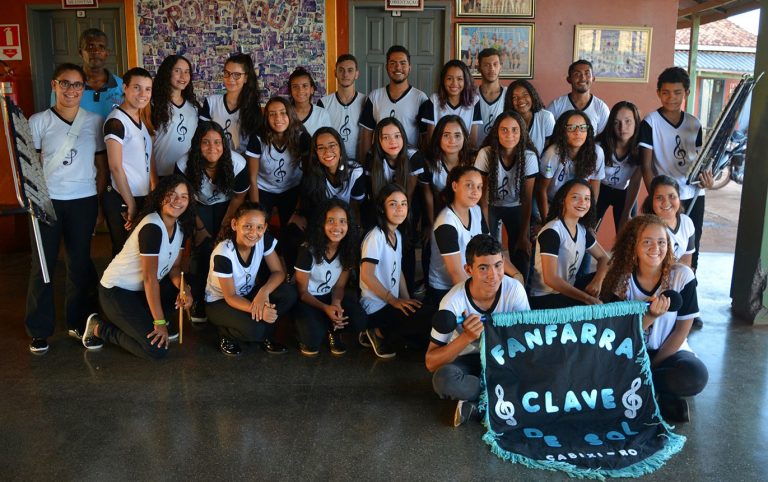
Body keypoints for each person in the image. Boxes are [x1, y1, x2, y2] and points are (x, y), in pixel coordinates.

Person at [26, 63, 107, 355]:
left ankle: (77, 322)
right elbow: (31, 165)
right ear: (54, 85)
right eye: (65, 83)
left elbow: (101, 167)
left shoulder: (94, 122)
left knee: (79, 263)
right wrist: (34, 200)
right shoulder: (38, 121)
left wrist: (97, 203)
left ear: (83, 89)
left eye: (77, 85)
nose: (71, 90)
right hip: (46, 202)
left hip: (83, 200)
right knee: (43, 265)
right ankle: (39, 330)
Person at [600, 214, 708, 422]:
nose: (655, 248)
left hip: (668, 353)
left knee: (695, 376)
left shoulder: (682, 276)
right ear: (633, 246)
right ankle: (661, 398)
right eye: (647, 242)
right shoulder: (619, 279)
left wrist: (651, 368)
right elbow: (617, 336)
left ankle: (640, 392)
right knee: (599, 371)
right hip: (628, 352)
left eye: (661, 242)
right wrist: (649, 317)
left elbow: (681, 331)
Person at [84, 175, 195, 360]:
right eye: (172, 194)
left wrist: (185, 289)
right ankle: (100, 328)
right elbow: (150, 279)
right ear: (161, 197)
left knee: (178, 291)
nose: (178, 200)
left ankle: (139, 320)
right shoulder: (152, 227)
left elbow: (175, 268)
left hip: (140, 290)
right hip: (117, 291)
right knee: (156, 350)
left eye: (184, 196)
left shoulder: (180, 227)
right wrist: (159, 322)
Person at [426, 234, 530, 427]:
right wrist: (466, 337)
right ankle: (500, 399)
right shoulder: (452, 301)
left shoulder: (514, 290)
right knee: (443, 380)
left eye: (498, 265)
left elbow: (526, 342)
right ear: (468, 269)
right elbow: (431, 362)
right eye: (483, 268)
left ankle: (478, 407)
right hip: (466, 360)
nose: (493, 275)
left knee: (541, 371)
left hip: (502, 359)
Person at [639, 66, 714, 274]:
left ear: (686, 93)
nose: (671, 98)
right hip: (666, 197)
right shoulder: (650, 122)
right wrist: (656, 195)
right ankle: (660, 285)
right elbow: (645, 165)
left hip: (693, 194)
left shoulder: (694, 123)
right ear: (658, 93)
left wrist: (708, 179)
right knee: (661, 244)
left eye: (677, 92)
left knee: (692, 243)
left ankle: (690, 281)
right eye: (666, 92)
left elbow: (701, 162)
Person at [176, 121, 249, 321]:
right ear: (197, 145)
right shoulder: (183, 164)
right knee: (202, 249)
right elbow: (185, 199)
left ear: (224, 145)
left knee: (224, 246)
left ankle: (226, 296)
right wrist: (200, 228)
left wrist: (225, 227)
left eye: (217, 142)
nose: (212, 147)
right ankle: (198, 299)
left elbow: (238, 197)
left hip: (228, 205)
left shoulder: (238, 163)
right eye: (206, 142)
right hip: (196, 205)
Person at [204, 201, 297, 356]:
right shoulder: (223, 253)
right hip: (220, 302)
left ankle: (265, 332)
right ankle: (225, 333)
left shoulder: (263, 239)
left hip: (248, 294)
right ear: (235, 224)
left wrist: (263, 292)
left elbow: (278, 272)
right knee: (255, 331)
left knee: (289, 293)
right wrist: (259, 309)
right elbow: (230, 296)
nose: (254, 232)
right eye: (247, 226)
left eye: (259, 227)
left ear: (265, 228)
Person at [427, 166, 523, 305]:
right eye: (469, 185)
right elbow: (456, 274)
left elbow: (492, 251)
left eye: (479, 187)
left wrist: (516, 274)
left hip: (474, 280)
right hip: (448, 290)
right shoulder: (446, 222)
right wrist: (482, 303)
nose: (475, 192)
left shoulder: (476, 210)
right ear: (455, 186)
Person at [359, 184, 431, 359]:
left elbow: (397, 272)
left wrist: (406, 300)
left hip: (390, 302)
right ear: (382, 209)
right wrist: (394, 300)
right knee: (425, 323)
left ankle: (391, 332)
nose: (400, 209)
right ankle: (376, 331)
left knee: (427, 318)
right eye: (393, 204)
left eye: (403, 204)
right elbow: (366, 275)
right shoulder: (375, 236)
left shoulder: (397, 234)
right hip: (375, 306)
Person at [294, 200, 366, 357]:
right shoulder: (308, 250)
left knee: (359, 319)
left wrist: (336, 304)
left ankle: (333, 330)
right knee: (312, 341)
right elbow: (302, 292)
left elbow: (339, 287)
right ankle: (310, 328)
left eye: (342, 221)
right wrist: (325, 308)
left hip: (329, 297)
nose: (337, 227)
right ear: (322, 224)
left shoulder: (348, 249)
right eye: (331, 221)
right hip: (308, 299)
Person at [364, 117, 426, 292]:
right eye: (386, 137)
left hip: (405, 204)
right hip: (381, 204)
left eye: (397, 136)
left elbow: (408, 195)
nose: (393, 141)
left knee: (406, 242)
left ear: (403, 137)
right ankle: (380, 286)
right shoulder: (372, 155)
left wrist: (398, 214)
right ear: (378, 140)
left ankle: (408, 291)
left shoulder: (413, 155)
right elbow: (374, 192)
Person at [475, 111, 538, 281]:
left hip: (516, 206)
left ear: (522, 132)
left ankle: (522, 288)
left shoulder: (529, 157)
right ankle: (493, 286)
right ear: (496, 132)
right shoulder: (486, 154)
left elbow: (527, 199)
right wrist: (486, 233)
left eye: (514, 130)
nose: (509, 134)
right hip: (491, 205)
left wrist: (523, 235)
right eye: (504, 130)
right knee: (488, 250)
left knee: (521, 250)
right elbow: (482, 199)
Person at [529, 179, 610, 309]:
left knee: (613, 277)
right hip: (546, 297)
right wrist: (587, 298)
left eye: (587, 198)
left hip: (569, 289)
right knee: (592, 303)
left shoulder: (582, 230)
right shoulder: (552, 231)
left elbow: (604, 258)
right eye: (575, 197)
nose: (582, 202)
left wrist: (598, 280)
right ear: (563, 200)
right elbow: (551, 279)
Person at [102, 67, 155, 257]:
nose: (143, 94)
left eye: (147, 89)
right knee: (123, 254)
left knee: (139, 253)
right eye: (137, 87)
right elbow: (115, 167)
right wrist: (130, 203)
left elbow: (147, 158)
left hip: (141, 196)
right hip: (122, 198)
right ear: (124, 88)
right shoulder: (116, 121)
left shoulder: (141, 117)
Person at [358, 45, 430, 156]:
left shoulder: (420, 98)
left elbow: (425, 137)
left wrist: (421, 163)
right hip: (380, 160)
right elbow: (367, 134)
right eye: (393, 63)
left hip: (408, 160)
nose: (398, 67)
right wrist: (365, 162)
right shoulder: (374, 96)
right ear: (386, 67)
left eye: (403, 63)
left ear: (409, 67)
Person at [536, 110, 605, 221]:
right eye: (571, 128)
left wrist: (589, 213)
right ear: (562, 131)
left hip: (576, 203)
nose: (577, 132)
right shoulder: (552, 153)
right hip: (551, 202)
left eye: (582, 127)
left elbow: (595, 183)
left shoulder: (596, 152)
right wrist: (546, 221)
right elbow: (541, 190)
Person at [51, 28, 123, 119]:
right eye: (90, 46)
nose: (96, 51)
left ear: (107, 53)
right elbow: (56, 120)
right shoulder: (64, 87)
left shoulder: (121, 86)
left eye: (101, 47)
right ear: (80, 52)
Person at [199, 53, 262, 155]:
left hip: (240, 162)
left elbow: (253, 148)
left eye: (236, 75)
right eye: (227, 73)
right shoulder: (211, 102)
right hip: (213, 159)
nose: (230, 79)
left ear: (245, 78)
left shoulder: (253, 109)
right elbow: (201, 136)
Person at [595, 101, 642, 233]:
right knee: (588, 231)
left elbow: (635, 181)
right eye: (617, 123)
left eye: (628, 121)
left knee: (627, 234)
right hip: (601, 189)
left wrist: (627, 212)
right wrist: (591, 210)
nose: (622, 128)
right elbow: (594, 180)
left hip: (625, 192)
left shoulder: (642, 149)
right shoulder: (599, 146)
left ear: (636, 123)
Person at [150, 55, 199, 176]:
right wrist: (153, 177)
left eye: (187, 72)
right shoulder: (153, 104)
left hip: (188, 173)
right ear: (167, 73)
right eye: (177, 71)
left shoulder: (194, 106)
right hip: (161, 174)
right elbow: (146, 145)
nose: (183, 76)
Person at [317, 54, 367, 163]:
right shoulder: (324, 103)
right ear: (335, 73)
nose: (345, 74)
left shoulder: (366, 101)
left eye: (350, 70)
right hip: (332, 162)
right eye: (341, 70)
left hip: (359, 162)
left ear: (356, 74)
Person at [422, 60, 481, 147]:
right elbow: (431, 140)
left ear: (466, 81)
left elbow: (472, 141)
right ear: (443, 80)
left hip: (464, 153)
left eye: (459, 79)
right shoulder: (434, 100)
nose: (454, 83)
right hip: (439, 153)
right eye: (449, 78)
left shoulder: (474, 101)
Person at [642, 176, 695, 267]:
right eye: (659, 197)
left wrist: (681, 275)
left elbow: (686, 262)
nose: (666, 202)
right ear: (651, 201)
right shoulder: (647, 227)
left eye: (672, 196)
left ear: (679, 198)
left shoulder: (686, 222)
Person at [546, 60, 610, 135]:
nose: (582, 78)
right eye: (577, 74)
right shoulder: (556, 105)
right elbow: (546, 133)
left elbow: (604, 138)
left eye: (587, 74)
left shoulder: (601, 108)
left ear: (593, 78)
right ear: (569, 79)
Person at [504, 79, 554, 155]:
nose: (520, 100)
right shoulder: (507, 120)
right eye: (515, 97)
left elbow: (550, 148)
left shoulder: (546, 117)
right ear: (510, 101)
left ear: (532, 95)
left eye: (525, 95)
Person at [475, 48, 507, 147]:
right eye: (486, 65)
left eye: (495, 64)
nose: (492, 68)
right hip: (475, 151)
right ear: (479, 68)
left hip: (501, 152)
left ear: (501, 67)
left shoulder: (509, 95)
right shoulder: (471, 96)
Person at [288, 67, 332, 136]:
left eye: (305, 86)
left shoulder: (322, 114)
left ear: (312, 89)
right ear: (290, 91)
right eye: (295, 86)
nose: (300, 90)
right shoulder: (284, 113)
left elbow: (327, 139)